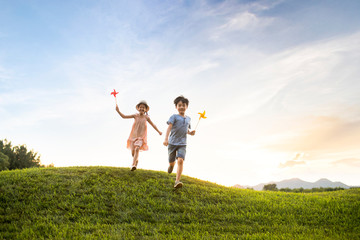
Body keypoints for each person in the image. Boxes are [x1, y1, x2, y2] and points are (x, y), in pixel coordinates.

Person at [116, 101, 162, 171]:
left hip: (141, 137)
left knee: (137, 148)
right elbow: (124, 116)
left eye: (143, 107)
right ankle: (136, 161)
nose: (142, 109)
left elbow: (153, 125)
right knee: (133, 153)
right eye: (140, 107)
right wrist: (118, 111)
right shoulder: (135, 116)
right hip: (133, 137)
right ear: (138, 109)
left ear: (146, 110)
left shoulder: (146, 117)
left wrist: (158, 131)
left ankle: (133, 165)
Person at [163, 96, 195, 188]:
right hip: (172, 143)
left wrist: (190, 133)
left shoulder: (188, 119)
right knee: (171, 161)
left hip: (182, 144)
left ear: (187, 107)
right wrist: (166, 139)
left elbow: (186, 130)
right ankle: (171, 166)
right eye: (179, 105)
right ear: (176, 107)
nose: (181, 107)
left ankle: (177, 181)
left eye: (183, 105)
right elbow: (169, 127)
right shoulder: (174, 117)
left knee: (180, 160)